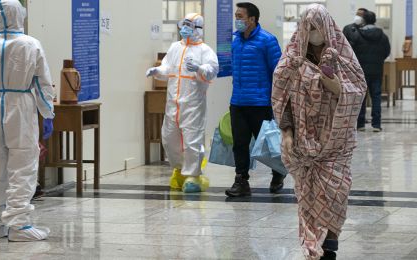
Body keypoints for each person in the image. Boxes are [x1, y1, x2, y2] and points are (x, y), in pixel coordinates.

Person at [272, 4, 367, 260]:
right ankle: (317, 248)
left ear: (326, 26)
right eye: (309, 27)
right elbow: (282, 99)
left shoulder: (342, 56)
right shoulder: (292, 59)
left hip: (336, 144)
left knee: (336, 194)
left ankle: (331, 244)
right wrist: (287, 133)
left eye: (317, 27)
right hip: (303, 143)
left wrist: (334, 85)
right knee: (309, 198)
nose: (313, 32)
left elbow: (358, 90)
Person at [0, 0, 55, 241]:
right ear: (19, 15)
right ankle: (19, 224)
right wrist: (47, 112)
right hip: (20, 106)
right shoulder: (30, 44)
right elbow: (42, 82)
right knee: (22, 164)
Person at [146, 13, 219, 193]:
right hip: (173, 102)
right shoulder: (174, 47)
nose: (184, 28)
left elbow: (212, 71)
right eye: (184, 24)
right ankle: (179, 169)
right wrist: (157, 70)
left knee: (192, 139)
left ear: (198, 29)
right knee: (169, 138)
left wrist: (199, 68)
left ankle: (193, 175)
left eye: (189, 25)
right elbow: (167, 67)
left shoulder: (205, 50)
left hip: (193, 102)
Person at [225, 2, 283, 198]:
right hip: (238, 102)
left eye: (240, 16)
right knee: (240, 143)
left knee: (268, 145)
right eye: (236, 16)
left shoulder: (267, 40)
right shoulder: (235, 41)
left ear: (252, 19)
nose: (237, 20)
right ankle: (241, 180)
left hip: (261, 103)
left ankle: (278, 173)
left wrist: (276, 99)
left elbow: (278, 72)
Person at [354, 11, 391, 132]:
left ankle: (360, 124)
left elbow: (354, 53)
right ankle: (376, 124)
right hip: (376, 70)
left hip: (361, 71)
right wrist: (378, 60)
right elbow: (387, 51)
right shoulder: (382, 36)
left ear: (364, 20)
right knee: (376, 97)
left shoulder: (358, 35)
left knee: (361, 98)